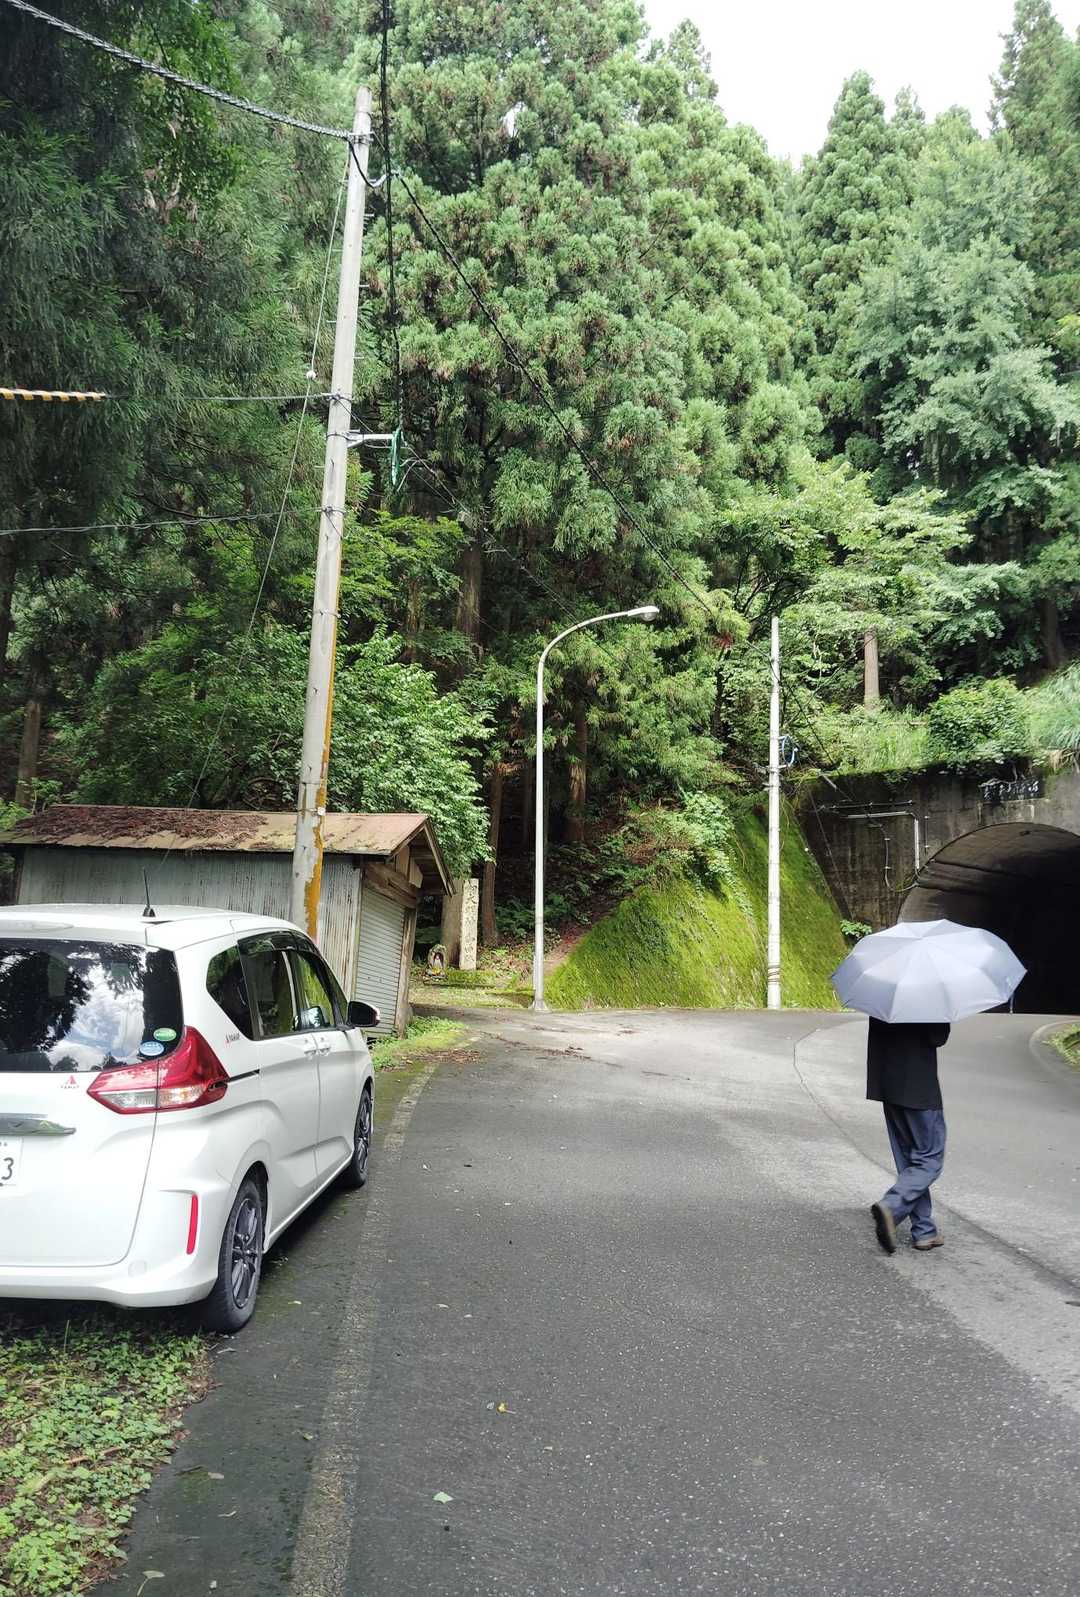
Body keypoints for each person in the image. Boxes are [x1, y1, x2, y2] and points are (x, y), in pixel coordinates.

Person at [866, 1017, 950, 1254]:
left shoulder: (886, 998)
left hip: (887, 1083)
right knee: (929, 1161)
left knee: (909, 1162)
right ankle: (892, 1205)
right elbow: (937, 1036)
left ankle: (924, 1231)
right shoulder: (930, 1000)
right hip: (918, 1088)